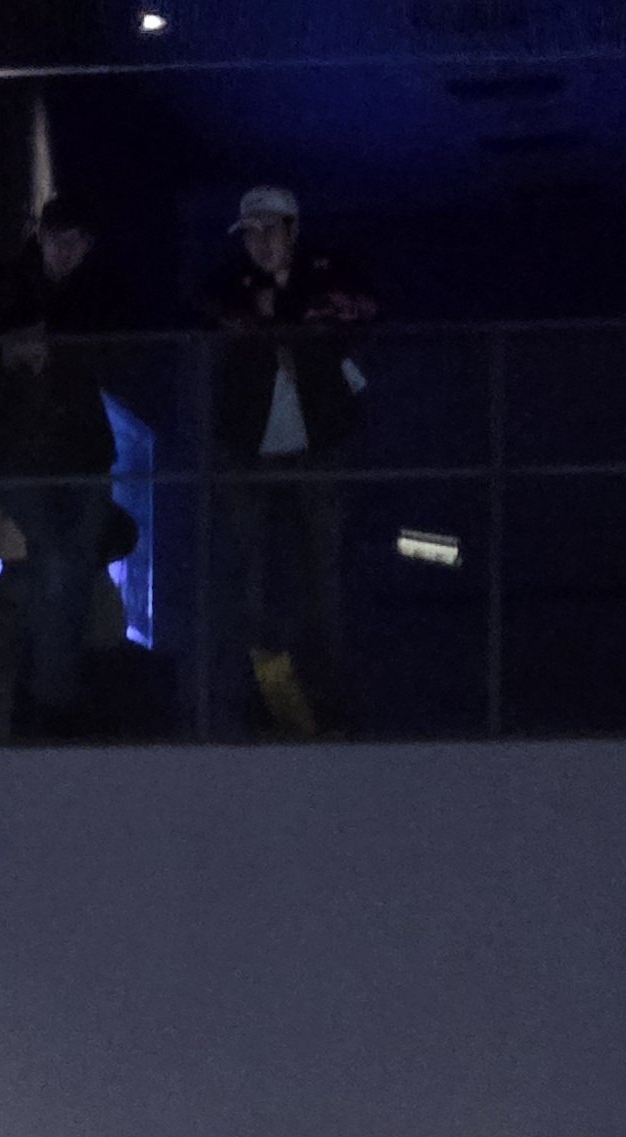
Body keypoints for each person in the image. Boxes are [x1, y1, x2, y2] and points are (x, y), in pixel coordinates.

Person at [202, 184, 378, 737]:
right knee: (250, 577)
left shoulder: (328, 272)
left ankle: (327, 702)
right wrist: (278, 321)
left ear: (292, 229)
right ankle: (264, 701)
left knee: (321, 576)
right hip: (247, 453)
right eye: (250, 233)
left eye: (269, 230)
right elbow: (213, 315)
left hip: (317, 448)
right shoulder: (229, 282)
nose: (259, 242)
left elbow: (363, 309)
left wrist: (289, 316)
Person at [0, 194, 120, 738]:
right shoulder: (4, 285)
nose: (68, 250)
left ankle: (50, 709)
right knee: (62, 570)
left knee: (61, 574)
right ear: (40, 235)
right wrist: (7, 349)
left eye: (77, 242)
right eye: (60, 238)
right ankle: (56, 708)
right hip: (26, 454)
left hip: (72, 454)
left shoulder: (85, 294)